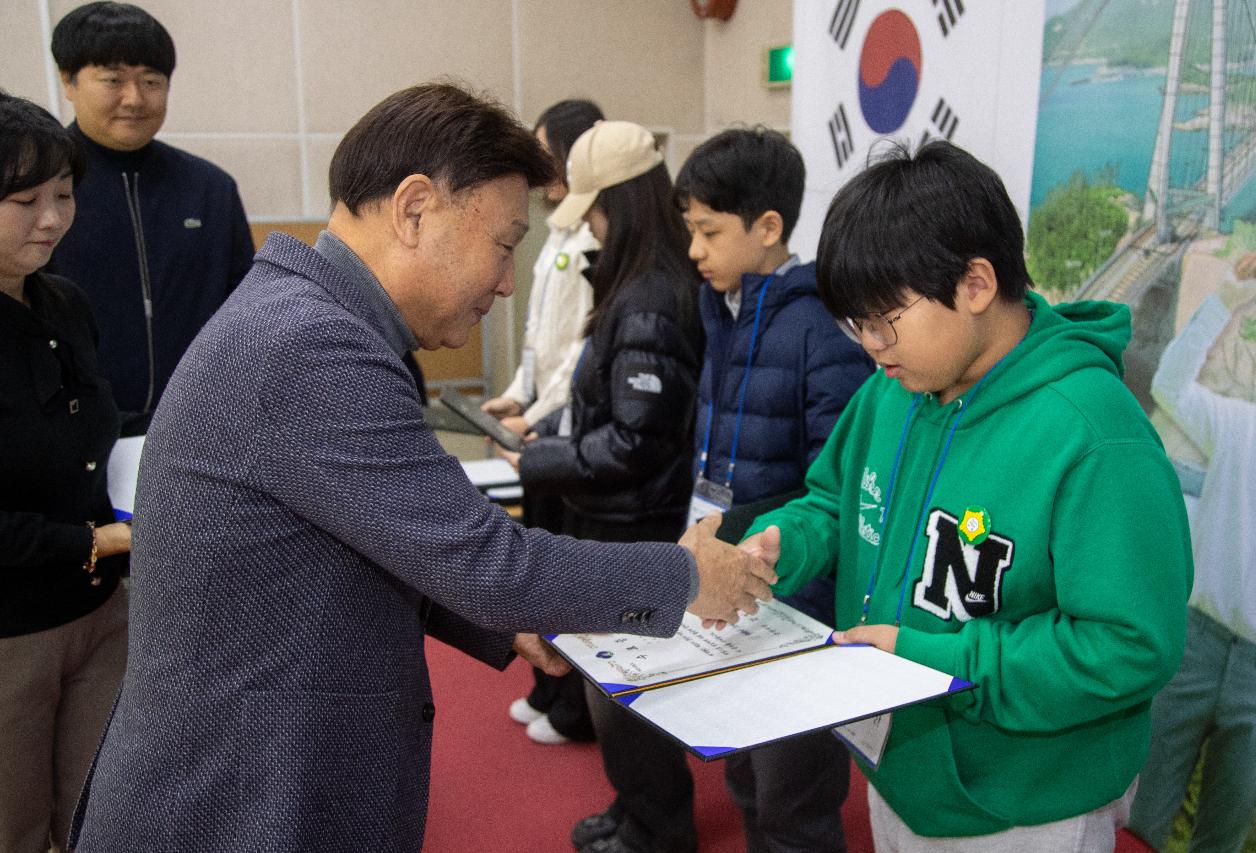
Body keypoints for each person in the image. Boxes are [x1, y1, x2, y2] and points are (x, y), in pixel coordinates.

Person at [66, 83, 777, 853]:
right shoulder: (312, 347)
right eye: (505, 244)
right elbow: (489, 563)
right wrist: (684, 574)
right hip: (241, 801)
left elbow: (374, 541)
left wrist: (514, 616)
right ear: (415, 209)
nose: (508, 280)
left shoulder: (306, 322)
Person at [737, 140, 1193, 849]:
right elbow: (835, 500)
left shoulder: (1094, 436)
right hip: (902, 769)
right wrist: (784, 541)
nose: (871, 346)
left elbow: (1127, 645)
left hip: (1024, 801)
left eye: (885, 318)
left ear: (976, 283)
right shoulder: (895, 388)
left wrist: (939, 661)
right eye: (856, 324)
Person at [566, 126, 877, 853]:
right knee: (744, 774)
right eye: (689, 230)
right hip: (733, 587)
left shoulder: (819, 332)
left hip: (797, 597)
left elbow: (832, 480)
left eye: (708, 231)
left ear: (769, 228)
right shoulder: (724, 311)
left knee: (791, 794)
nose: (695, 250)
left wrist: (734, 531)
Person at [496, 120, 702, 853]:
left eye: (596, 211)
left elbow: (637, 441)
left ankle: (657, 829)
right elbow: (610, 415)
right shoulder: (635, 283)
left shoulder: (650, 298)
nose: (589, 227)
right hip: (609, 514)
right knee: (608, 686)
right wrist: (552, 444)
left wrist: (542, 461)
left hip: (632, 522)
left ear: (624, 204)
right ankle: (636, 809)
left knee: (628, 693)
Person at [0, 92, 131, 853]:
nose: (51, 218)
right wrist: (96, 539)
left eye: (64, 195)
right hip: (11, 628)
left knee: (99, 809)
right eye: (24, 200)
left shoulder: (66, 304)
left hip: (96, 610)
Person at [48, 1, 254, 436]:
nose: (135, 98)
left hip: (200, 425)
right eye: (112, 80)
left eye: (151, 81)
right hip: (72, 431)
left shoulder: (210, 188)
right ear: (68, 81)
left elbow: (245, 309)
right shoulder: (40, 192)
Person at [1128, 276, 1256, 853]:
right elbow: (1170, 385)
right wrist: (1224, 302)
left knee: (1228, 830)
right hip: (1198, 642)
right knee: (1144, 812)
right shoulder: (1249, 434)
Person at [483, 99, 604, 746]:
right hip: (540, 419)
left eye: (547, 150)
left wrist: (539, 413)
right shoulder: (559, 227)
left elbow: (581, 353)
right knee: (535, 557)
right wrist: (515, 396)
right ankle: (547, 684)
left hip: (566, 423)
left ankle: (569, 699)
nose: (541, 164)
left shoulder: (594, 236)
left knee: (561, 561)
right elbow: (538, 337)